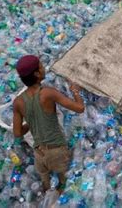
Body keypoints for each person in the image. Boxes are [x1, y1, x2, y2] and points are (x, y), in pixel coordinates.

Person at [12, 55, 85, 193]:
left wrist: (32, 122)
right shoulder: (48, 93)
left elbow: (17, 133)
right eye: (41, 66)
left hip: (39, 154)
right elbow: (80, 108)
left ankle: (47, 196)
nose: (44, 68)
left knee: (46, 184)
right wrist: (75, 90)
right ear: (37, 73)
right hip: (56, 151)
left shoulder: (18, 102)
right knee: (63, 183)